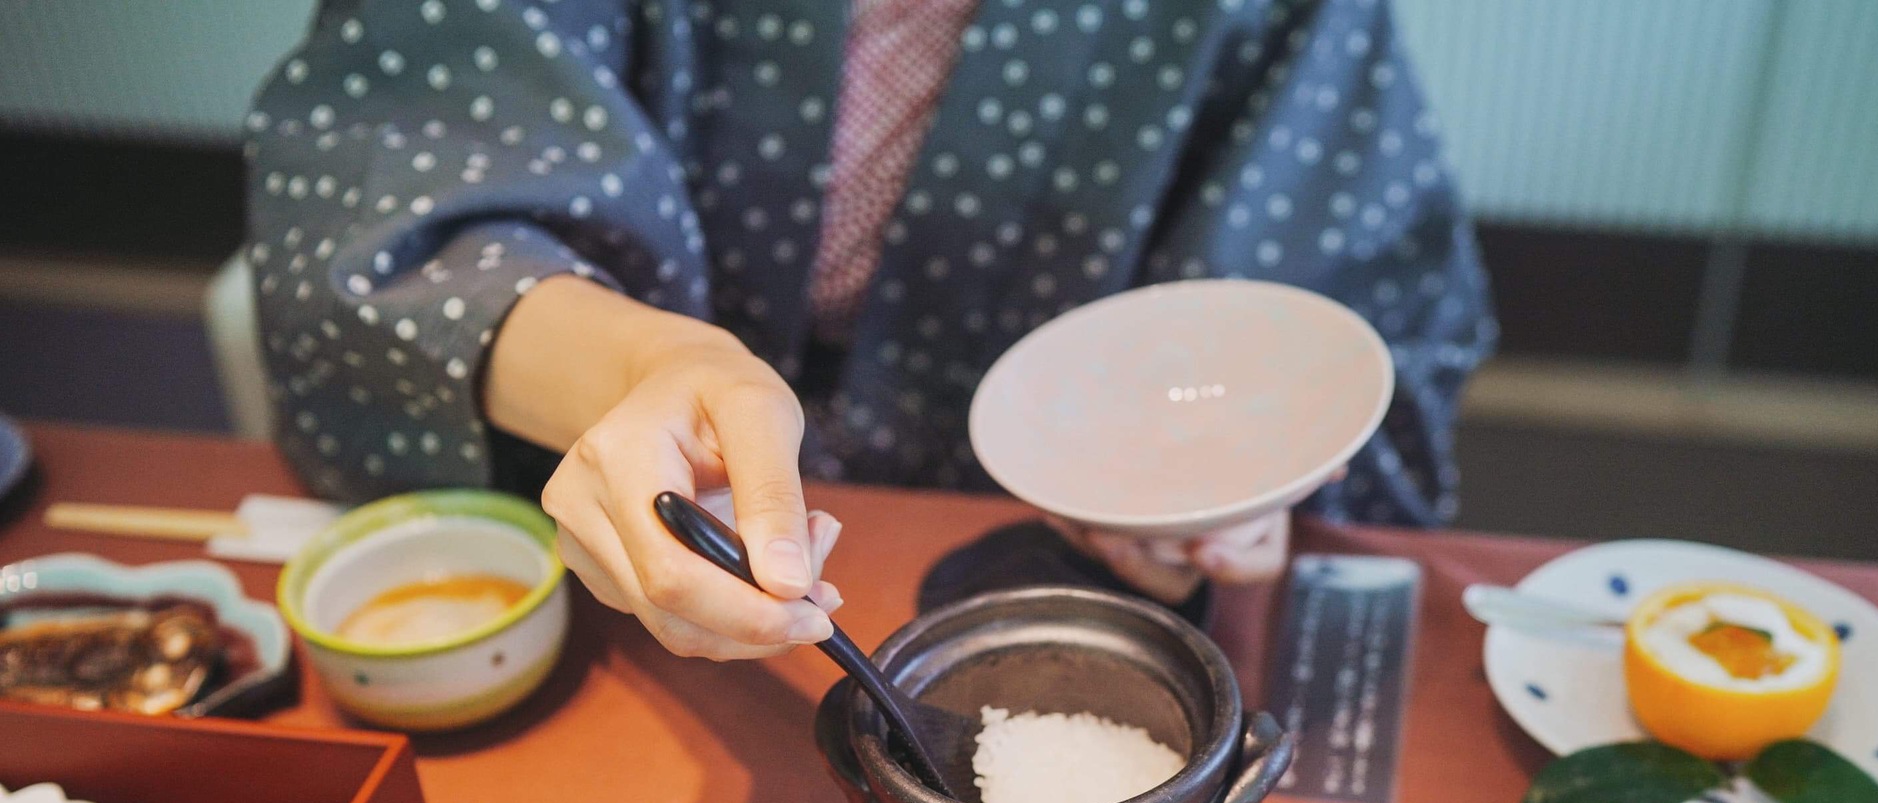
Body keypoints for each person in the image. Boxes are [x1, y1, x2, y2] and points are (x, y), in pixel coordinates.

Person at [249, 0, 1494, 661]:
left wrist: (1221, 488)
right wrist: (650, 367)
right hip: (630, 525)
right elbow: (386, 209)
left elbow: (1347, 324)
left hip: (1061, 554)